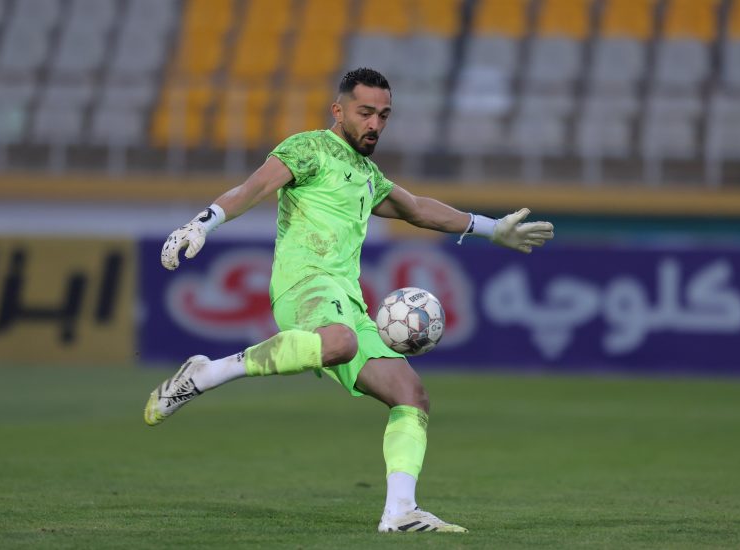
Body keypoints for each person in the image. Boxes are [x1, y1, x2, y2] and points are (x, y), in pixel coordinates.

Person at [144, 68, 554, 533]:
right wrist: (203, 222)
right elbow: (254, 187)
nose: (375, 124)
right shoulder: (309, 148)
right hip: (304, 285)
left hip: (347, 301)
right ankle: (208, 372)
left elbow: (418, 209)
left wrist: (491, 228)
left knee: (410, 394)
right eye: (365, 113)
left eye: (384, 115)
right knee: (339, 342)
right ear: (338, 111)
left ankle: (400, 511)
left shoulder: (367, 174)